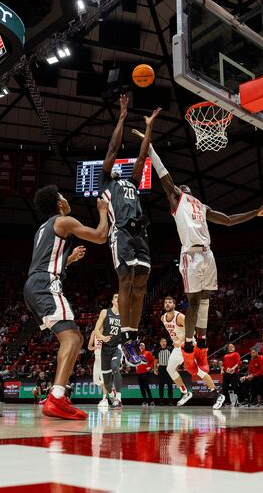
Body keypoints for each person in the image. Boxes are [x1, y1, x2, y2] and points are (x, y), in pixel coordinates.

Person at [146, 138, 263, 377]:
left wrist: (255, 213)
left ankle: (202, 347)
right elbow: (164, 177)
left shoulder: (202, 207)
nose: (187, 191)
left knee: (205, 299)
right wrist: (150, 147)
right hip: (191, 254)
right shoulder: (178, 200)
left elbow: (227, 219)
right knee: (193, 301)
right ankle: (188, 346)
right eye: (184, 190)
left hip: (207, 254)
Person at [24, 185, 110, 419]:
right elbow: (101, 236)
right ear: (59, 203)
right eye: (63, 196)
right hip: (46, 284)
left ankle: (57, 395)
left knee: (74, 337)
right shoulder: (63, 221)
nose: (66, 199)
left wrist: (67, 261)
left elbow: (45, 262)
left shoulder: (43, 228)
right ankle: (56, 398)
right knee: (72, 338)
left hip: (35, 284)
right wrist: (103, 211)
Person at [100, 95, 160, 366]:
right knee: (124, 282)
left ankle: (132, 336)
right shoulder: (106, 181)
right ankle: (125, 338)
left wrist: (148, 128)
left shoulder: (133, 183)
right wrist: (122, 116)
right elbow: (113, 147)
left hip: (141, 234)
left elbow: (143, 154)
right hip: (121, 232)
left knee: (141, 287)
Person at [159, 296, 225, 409]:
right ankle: (185, 393)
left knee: (198, 371)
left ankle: (218, 395)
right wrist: (177, 342)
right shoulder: (163, 318)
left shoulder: (179, 317)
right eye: (166, 302)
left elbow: (192, 331)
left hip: (189, 345)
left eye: (170, 302)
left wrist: (180, 341)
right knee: (170, 368)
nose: (168, 304)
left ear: (174, 305)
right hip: (178, 348)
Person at [94, 293, 125, 409]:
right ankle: (112, 396)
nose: (118, 299)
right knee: (106, 382)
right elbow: (96, 330)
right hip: (105, 348)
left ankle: (118, 398)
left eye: (120, 297)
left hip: (117, 347)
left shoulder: (125, 315)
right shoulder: (105, 312)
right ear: (112, 301)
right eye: (116, 297)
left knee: (115, 367)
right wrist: (102, 337)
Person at [87, 325, 106, 408]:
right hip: (97, 359)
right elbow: (89, 347)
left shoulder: (107, 332)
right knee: (96, 381)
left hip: (104, 359)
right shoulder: (94, 332)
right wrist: (95, 347)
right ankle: (111, 392)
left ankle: (105, 399)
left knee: (103, 380)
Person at [154, 337, 174, 405]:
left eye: (165, 341)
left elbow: (174, 358)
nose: (164, 343)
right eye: (162, 341)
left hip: (169, 368)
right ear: (160, 343)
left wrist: (175, 367)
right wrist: (155, 369)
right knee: (161, 385)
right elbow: (156, 360)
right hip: (161, 368)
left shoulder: (170, 349)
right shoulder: (157, 350)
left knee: (170, 385)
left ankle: (171, 401)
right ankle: (161, 401)